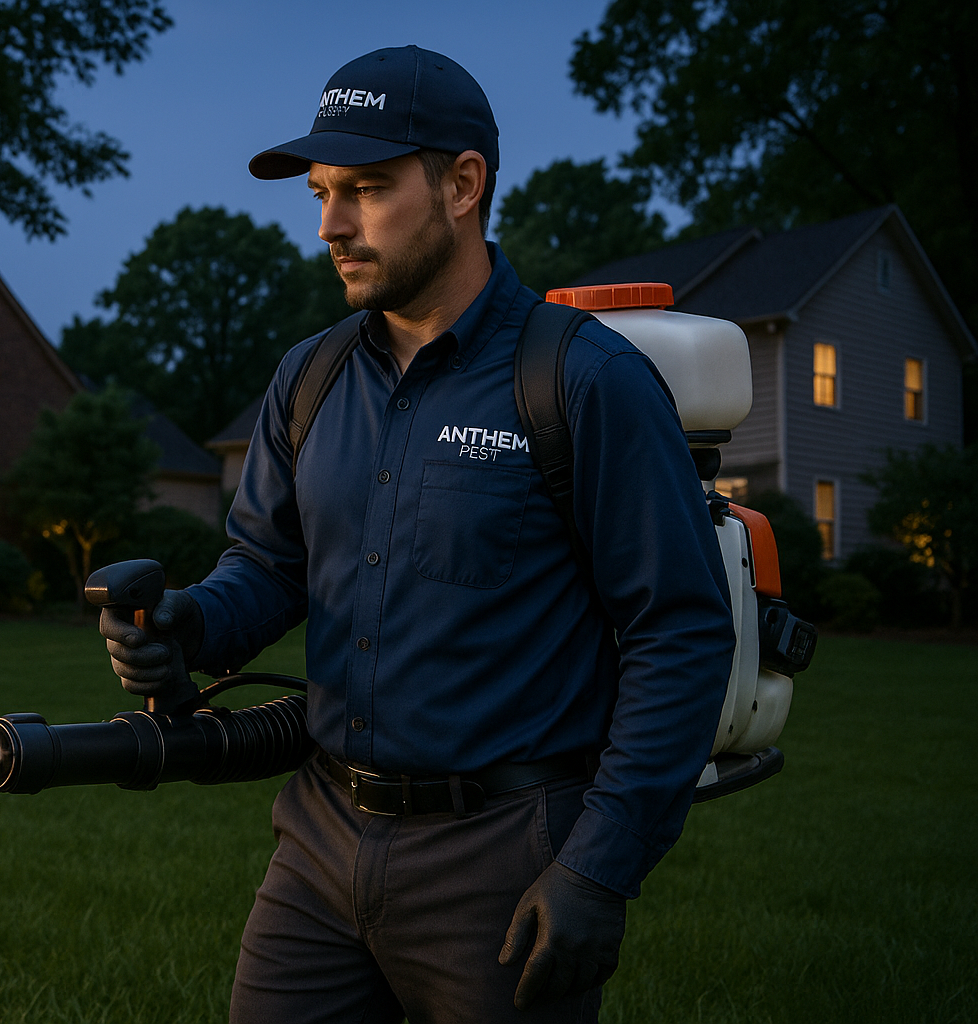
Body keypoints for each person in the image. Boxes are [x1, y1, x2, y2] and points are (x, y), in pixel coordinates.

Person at [100, 45, 735, 1024]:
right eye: (321, 193)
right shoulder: (308, 378)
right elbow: (269, 564)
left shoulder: (582, 381)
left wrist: (600, 867)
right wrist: (191, 623)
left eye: (365, 189)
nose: (330, 225)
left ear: (463, 185)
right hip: (318, 841)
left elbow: (679, 632)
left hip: (504, 853)